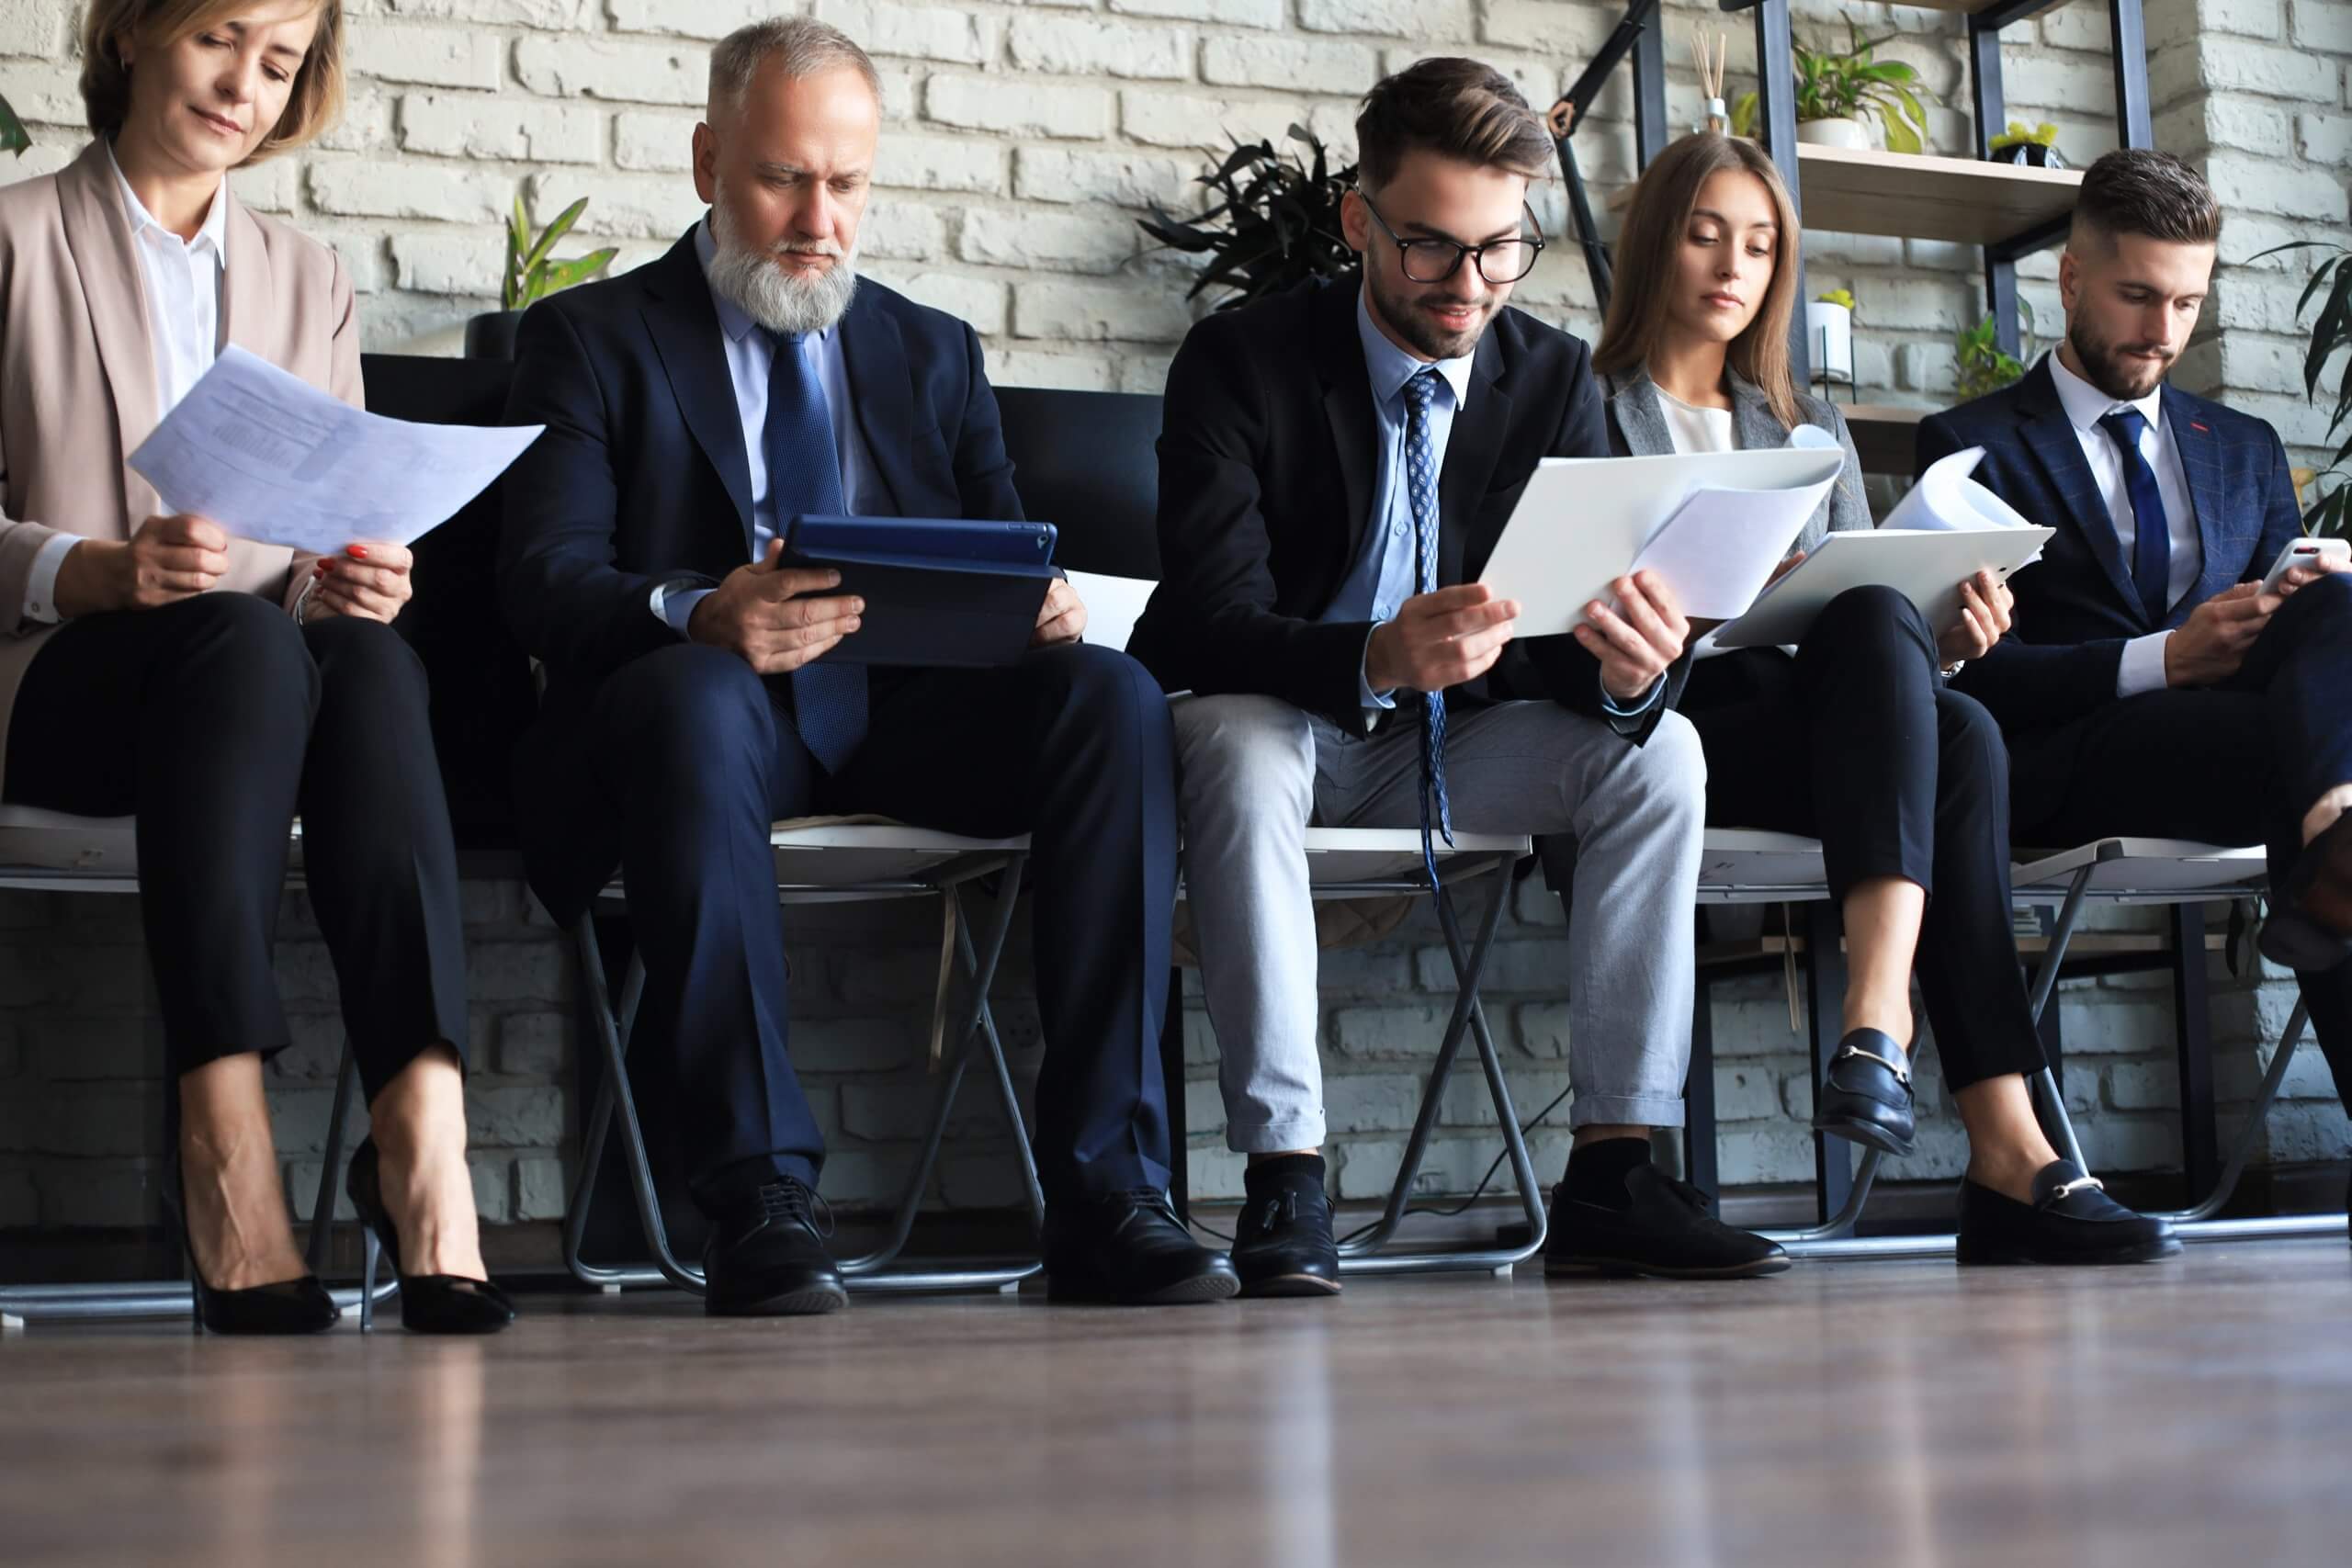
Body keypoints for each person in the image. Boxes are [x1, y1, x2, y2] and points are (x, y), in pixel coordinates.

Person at [500, 17, 1233, 1315]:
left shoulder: (932, 348)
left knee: (1110, 695)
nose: (817, 220)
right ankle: (756, 1194)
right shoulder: (592, 340)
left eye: (847, 184)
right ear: (707, 162)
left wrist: (1043, 610)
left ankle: (1113, 1189)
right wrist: (697, 607)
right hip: (703, 725)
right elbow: (545, 580)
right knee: (694, 692)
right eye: (785, 178)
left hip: (902, 714)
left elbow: (1003, 549)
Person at [1131, 58, 1789, 1294]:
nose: (1471, 285)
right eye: (1433, 248)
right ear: (1358, 220)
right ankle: (1287, 1172)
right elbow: (1209, 621)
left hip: (1459, 747)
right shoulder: (1238, 362)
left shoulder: (1550, 378)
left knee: (1668, 753)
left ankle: (1613, 1166)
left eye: (1503, 249)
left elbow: (1571, 642)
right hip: (1289, 725)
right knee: (1233, 735)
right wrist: (1375, 654)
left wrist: (1636, 666)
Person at [0, 0, 511, 1334]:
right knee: (241, 644)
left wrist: (346, 573)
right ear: (131, 35)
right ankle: (223, 1146)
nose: (246, 85)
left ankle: (422, 1141)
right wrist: (92, 568)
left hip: (253, 684)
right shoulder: (12, 236)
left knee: (369, 659)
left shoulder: (307, 273)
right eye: (222, 39)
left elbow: (311, 529)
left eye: (279, 63)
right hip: (61, 680)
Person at [1592, 133, 2174, 1265]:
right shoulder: (1581, 406)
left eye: (1760, 246)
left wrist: (1945, 642)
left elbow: (1856, 622)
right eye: (1705, 234)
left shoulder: (1804, 431)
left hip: (1828, 733)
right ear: (1656, 240)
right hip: (1672, 724)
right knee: (1939, 716)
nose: (1731, 266)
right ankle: (1972, 1109)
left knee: (1931, 684)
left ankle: (1924, 1073)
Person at [1921, 148, 2352, 1224]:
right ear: (2070, 281)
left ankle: (2337, 828)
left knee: (2334, 601)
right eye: (2137, 296)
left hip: (2237, 758)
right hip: (2071, 763)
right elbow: (1970, 680)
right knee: (2304, 787)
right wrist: (2163, 659)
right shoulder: (1968, 448)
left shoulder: (2242, 447)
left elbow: (2288, 651)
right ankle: (2334, 836)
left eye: (2187, 302)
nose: (2162, 329)